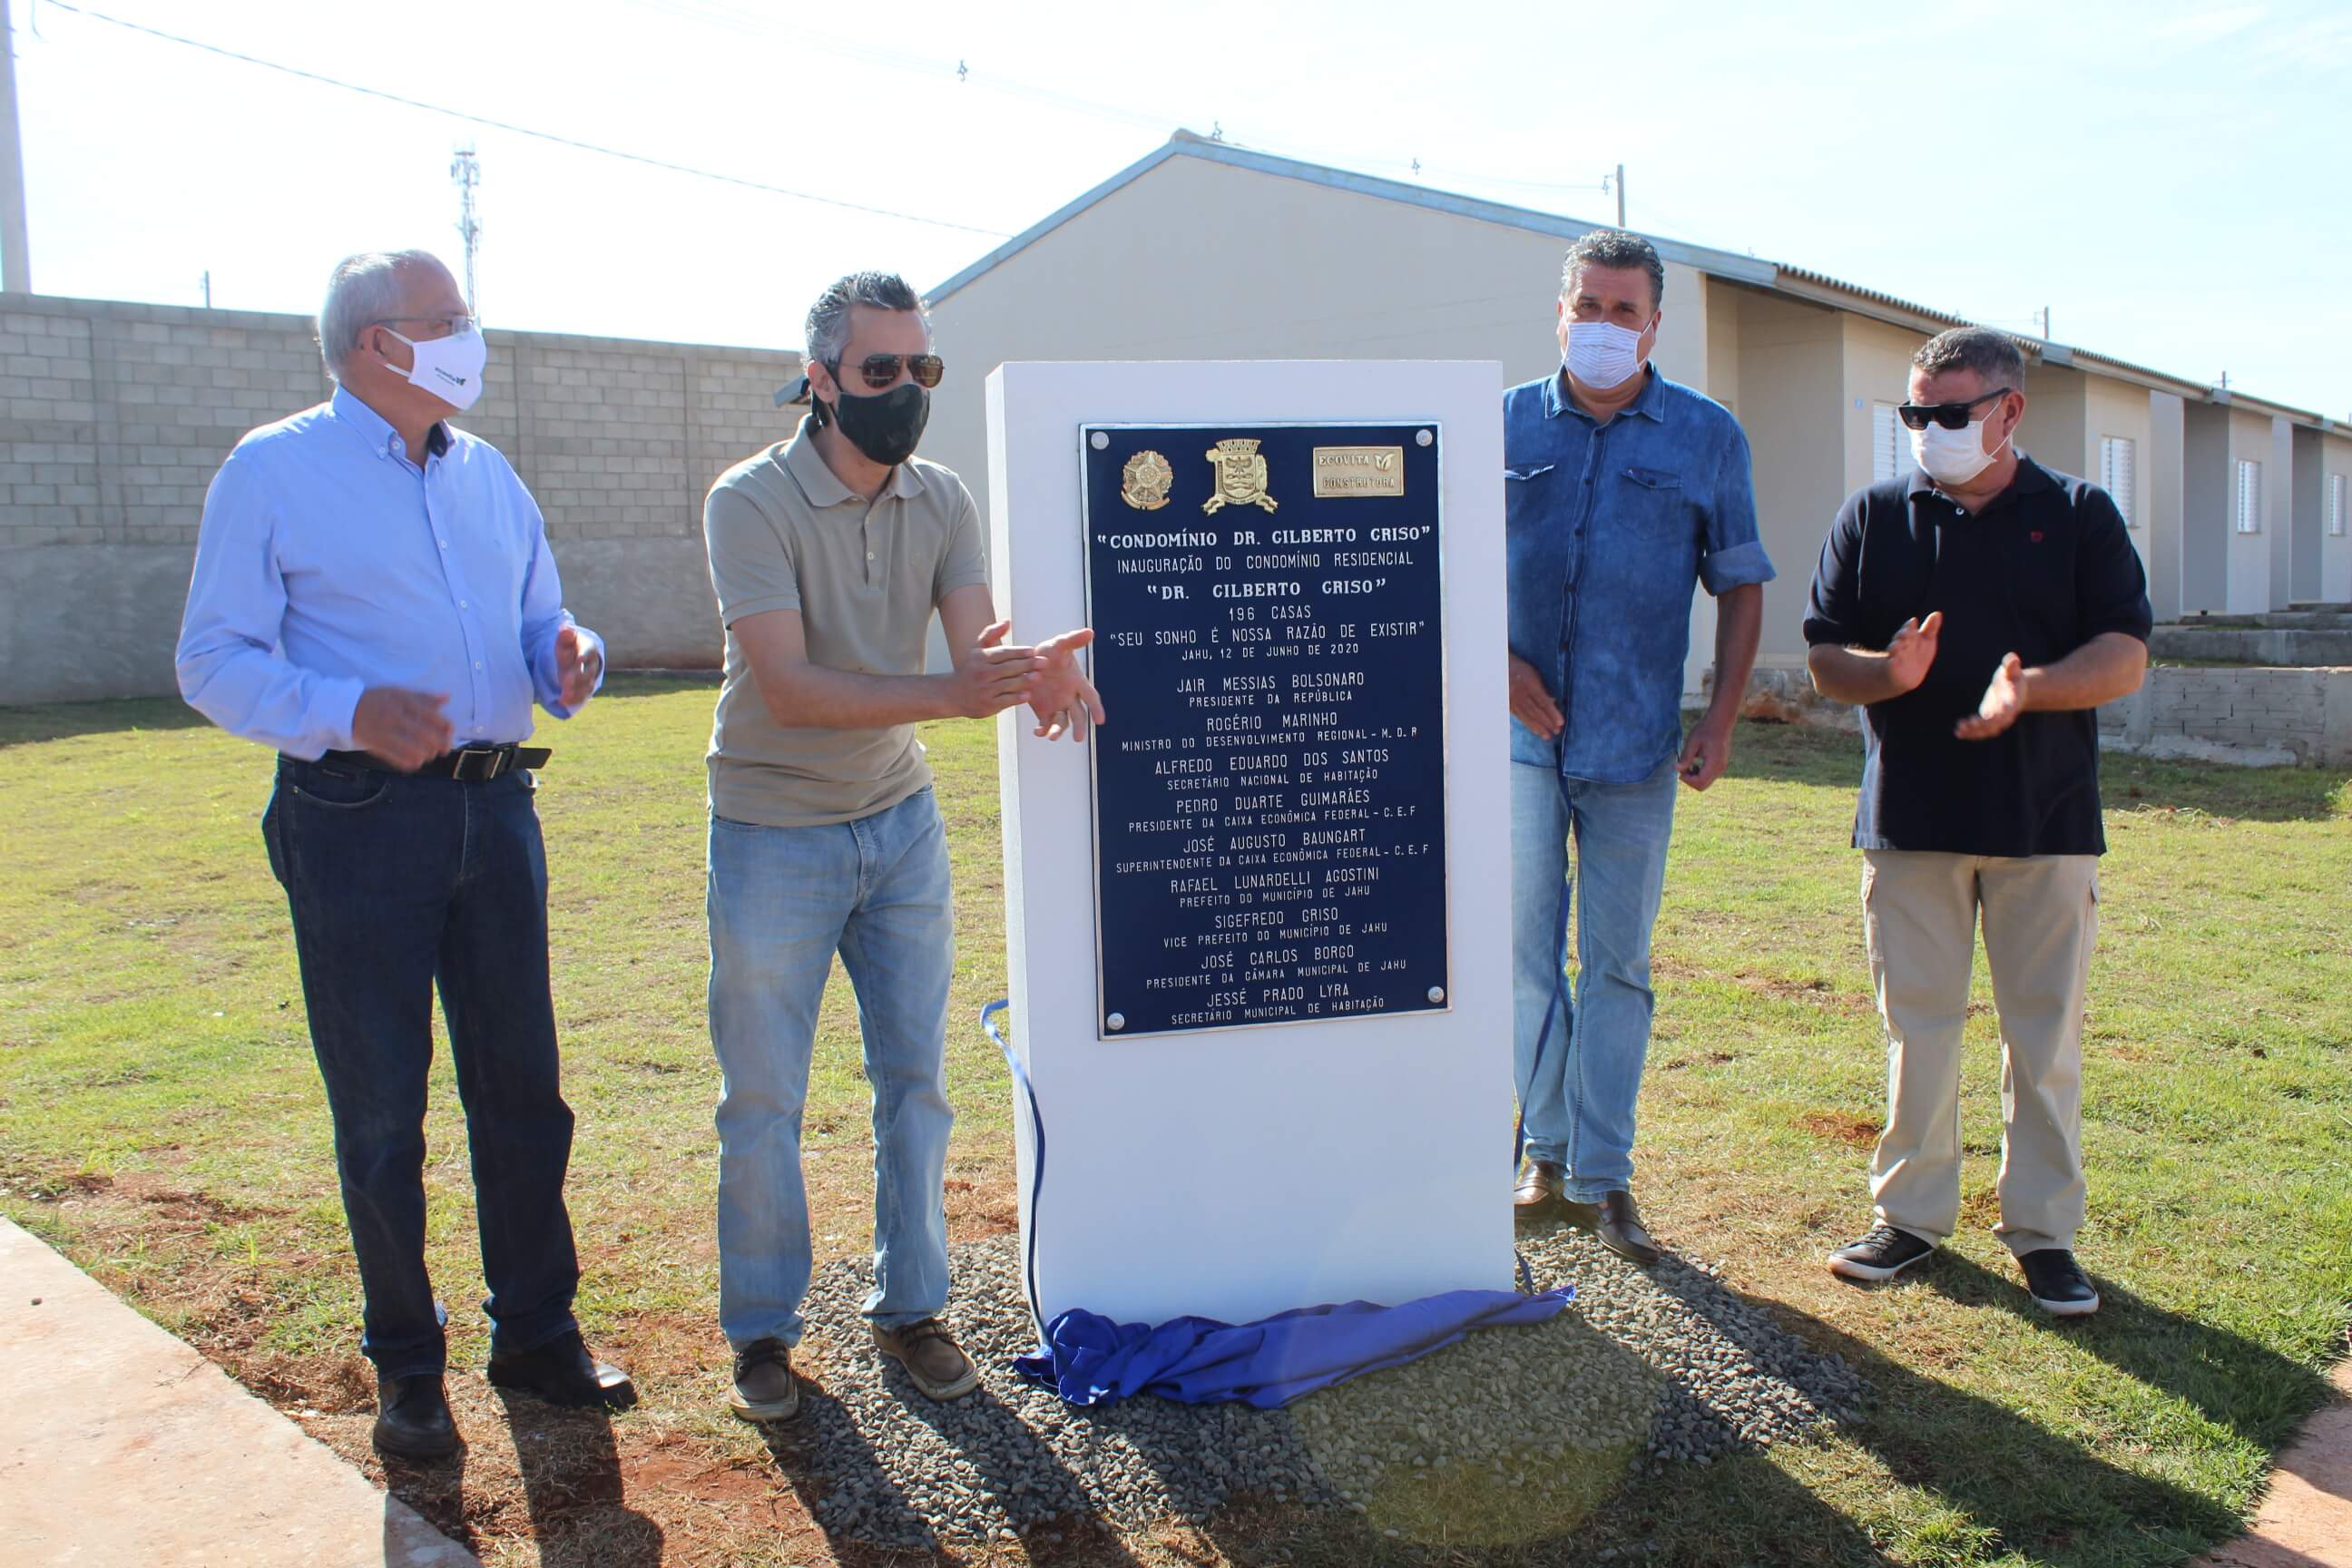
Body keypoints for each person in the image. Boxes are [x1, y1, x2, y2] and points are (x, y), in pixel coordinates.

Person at [174, 250, 632, 1460]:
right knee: (383, 1111)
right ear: (378, 343)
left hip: (499, 814)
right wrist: (347, 709)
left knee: (524, 1094)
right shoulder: (273, 471)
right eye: (450, 321)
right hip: (358, 819)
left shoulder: (488, 475)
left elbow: (543, 614)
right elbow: (211, 659)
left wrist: (568, 652)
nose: (472, 338)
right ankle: (406, 1367)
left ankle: (536, 1335)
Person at [702, 270, 1101, 1423]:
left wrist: (1034, 669)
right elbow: (787, 688)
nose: (908, 390)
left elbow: (982, 639)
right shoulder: (751, 501)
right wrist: (958, 693)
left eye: (923, 369)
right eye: (882, 371)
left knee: (917, 1085)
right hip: (772, 828)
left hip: (899, 828)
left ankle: (913, 1309)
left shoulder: (942, 499)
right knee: (764, 1100)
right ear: (820, 381)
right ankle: (764, 1334)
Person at [1802, 326, 2150, 1318]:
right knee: (1918, 1029)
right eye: (1917, 413)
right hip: (1911, 818)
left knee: (2044, 1037)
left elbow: (2125, 653)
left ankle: (2043, 1233)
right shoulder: (1875, 514)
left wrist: (2031, 690)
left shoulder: (2080, 514)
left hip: (2046, 820)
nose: (1930, 431)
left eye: (1951, 414)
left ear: (2010, 411)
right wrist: (1887, 673)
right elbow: (1828, 654)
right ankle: (1910, 1219)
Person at [1504, 230, 1774, 1264]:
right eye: (1589, 306)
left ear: (1656, 325)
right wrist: (1496, 667)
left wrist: (1720, 718)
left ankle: (1606, 1175)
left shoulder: (1706, 436)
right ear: (1559, 311)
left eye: (1626, 312)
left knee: (1617, 963)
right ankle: (1546, 1154)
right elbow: (1443, 566)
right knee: (1526, 957)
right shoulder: (1501, 425)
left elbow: (1743, 581)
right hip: (1515, 741)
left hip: (1635, 748)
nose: (1605, 327)